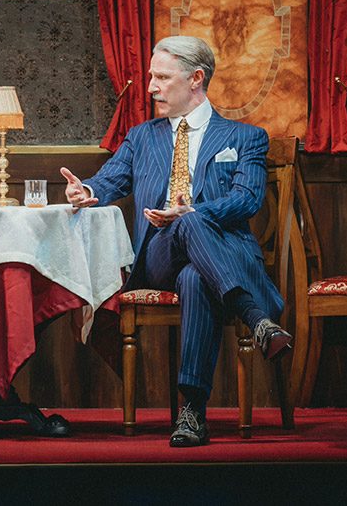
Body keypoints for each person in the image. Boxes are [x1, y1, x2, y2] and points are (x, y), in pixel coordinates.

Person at [60, 35, 291, 447]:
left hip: (220, 261)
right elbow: (109, 181)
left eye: (162, 77)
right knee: (184, 233)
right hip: (158, 258)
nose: (151, 87)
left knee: (194, 276)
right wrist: (87, 191)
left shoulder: (246, 137)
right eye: (151, 77)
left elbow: (248, 199)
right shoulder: (141, 136)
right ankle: (255, 317)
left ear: (196, 78)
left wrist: (193, 214)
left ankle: (192, 413)